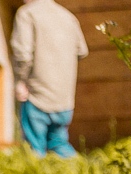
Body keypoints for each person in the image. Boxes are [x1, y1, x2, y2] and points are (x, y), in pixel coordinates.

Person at [11, 0, 88, 158]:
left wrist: (20, 81)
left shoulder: (27, 13)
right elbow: (82, 50)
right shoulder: (69, 18)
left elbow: (23, 55)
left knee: (34, 149)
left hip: (36, 95)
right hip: (64, 99)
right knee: (59, 143)